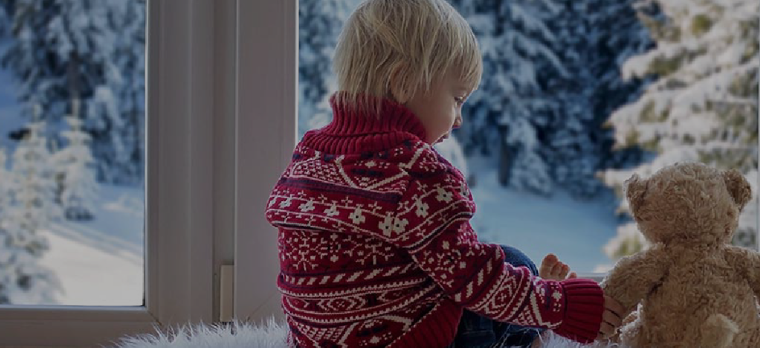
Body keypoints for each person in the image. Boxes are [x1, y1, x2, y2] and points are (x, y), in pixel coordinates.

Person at [264, 0, 626, 347]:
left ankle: (532, 312)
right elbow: (474, 279)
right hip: (407, 341)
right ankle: (534, 332)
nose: (458, 120)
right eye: (456, 98)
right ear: (403, 81)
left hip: (316, 340)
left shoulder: (309, 153)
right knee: (511, 262)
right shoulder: (417, 172)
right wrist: (563, 306)